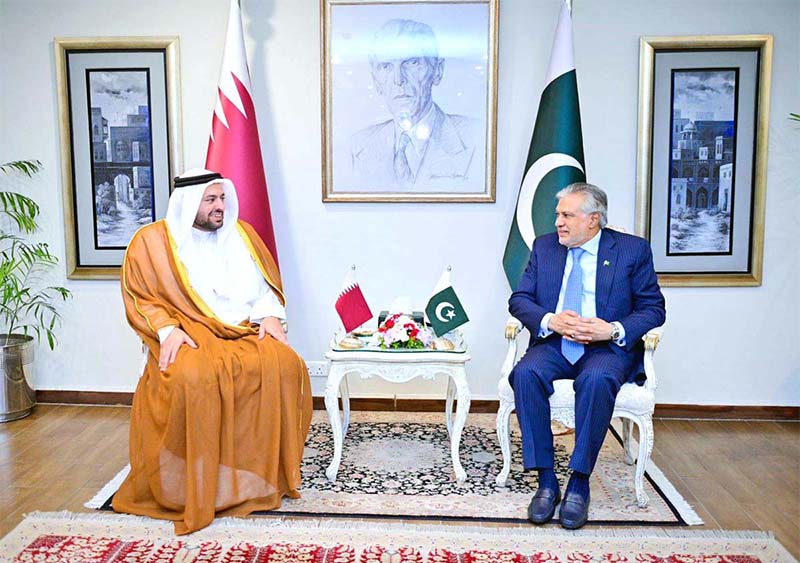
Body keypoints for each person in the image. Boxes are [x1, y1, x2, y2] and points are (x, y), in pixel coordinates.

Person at [114, 168, 312, 535]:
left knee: (286, 365)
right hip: (187, 332)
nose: (220, 207)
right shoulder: (152, 242)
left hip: (242, 329)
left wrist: (269, 315)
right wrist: (167, 330)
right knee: (194, 377)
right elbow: (141, 295)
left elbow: (265, 286)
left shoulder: (242, 235)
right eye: (211, 200)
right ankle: (190, 481)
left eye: (222, 198)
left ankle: (263, 475)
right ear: (189, 203)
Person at [508, 182, 666, 530]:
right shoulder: (545, 247)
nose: (558, 222)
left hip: (605, 346)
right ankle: (546, 481)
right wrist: (551, 320)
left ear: (593, 220)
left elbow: (654, 308)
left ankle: (579, 481)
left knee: (596, 379)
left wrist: (611, 329)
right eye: (558, 215)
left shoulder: (631, 250)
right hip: (556, 343)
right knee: (524, 374)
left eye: (566, 215)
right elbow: (519, 299)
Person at [350, 18, 484, 192]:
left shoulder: (477, 137)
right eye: (386, 66)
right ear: (376, 80)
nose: (398, 79)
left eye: (412, 63)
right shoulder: (357, 145)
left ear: (437, 70)